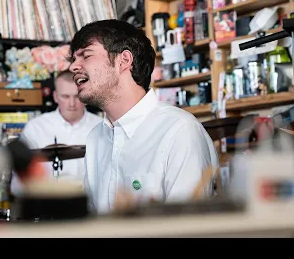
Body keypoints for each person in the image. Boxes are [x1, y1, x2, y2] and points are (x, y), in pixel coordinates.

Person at [68, 19, 219, 215]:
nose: (73, 67)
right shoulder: (97, 137)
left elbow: (188, 227)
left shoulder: (179, 130)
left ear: (124, 60)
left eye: (85, 55)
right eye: (73, 59)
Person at [12, 70, 102, 192]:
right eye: (65, 96)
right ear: (55, 97)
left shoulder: (101, 126)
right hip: (47, 202)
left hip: (90, 204)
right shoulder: (35, 127)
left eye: (76, 96)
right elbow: (19, 181)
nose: (72, 103)